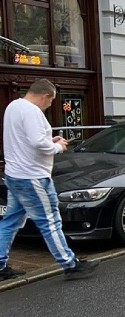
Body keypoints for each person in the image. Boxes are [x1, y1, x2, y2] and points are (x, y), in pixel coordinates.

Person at [0, 79, 99, 280]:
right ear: (45, 96)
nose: (50, 105)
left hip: (15, 174)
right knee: (50, 221)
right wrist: (58, 147)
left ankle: (0, 265)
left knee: (10, 221)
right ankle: (70, 264)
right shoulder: (32, 112)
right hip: (33, 177)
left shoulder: (14, 107)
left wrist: (49, 140)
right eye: (51, 101)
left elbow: (27, 140)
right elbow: (37, 143)